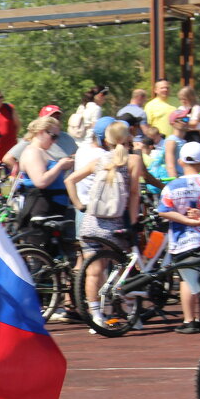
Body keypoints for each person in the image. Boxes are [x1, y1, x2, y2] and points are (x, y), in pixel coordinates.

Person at [66, 120, 141, 330]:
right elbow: (135, 194)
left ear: (106, 139)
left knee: (93, 271)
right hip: (115, 224)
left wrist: (80, 205)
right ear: (127, 138)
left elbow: (69, 180)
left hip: (91, 222)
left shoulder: (99, 160)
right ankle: (131, 312)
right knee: (122, 268)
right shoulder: (133, 160)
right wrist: (133, 221)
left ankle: (96, 317)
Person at [156, 141, 200, 333]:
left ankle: (189, 320)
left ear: (180, 161)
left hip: (182, 241)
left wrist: (186, 221)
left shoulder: (172, 186)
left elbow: (164, 211)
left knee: (186, 280)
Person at [15, 116, 75, 234]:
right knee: (40, 249)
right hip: (42, 206)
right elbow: (40, 181)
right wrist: (60, 165)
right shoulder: (33, 152)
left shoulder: (42, 152)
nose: (55, 141)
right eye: (53, 136)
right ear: (41, 132)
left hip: (54, 206)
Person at [165, 109, 191, 178]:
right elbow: (170, 166)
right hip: (177, 179)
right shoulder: (171, 141)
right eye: (184, 119)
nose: (187, 122)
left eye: (188, 118)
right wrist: (176, 183)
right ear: (174, 123)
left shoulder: (183, 141)